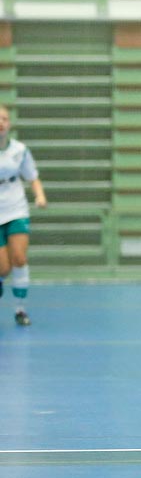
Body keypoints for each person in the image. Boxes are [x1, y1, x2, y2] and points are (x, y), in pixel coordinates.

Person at [0, 104, 46, 326]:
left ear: (9, 124)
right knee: (3, 267)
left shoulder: (19, 150)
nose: (1, 123)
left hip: (16, 209)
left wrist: (40, 196)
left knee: (19, 258)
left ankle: (20, 310)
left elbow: (33, 177)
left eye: (4, 119)